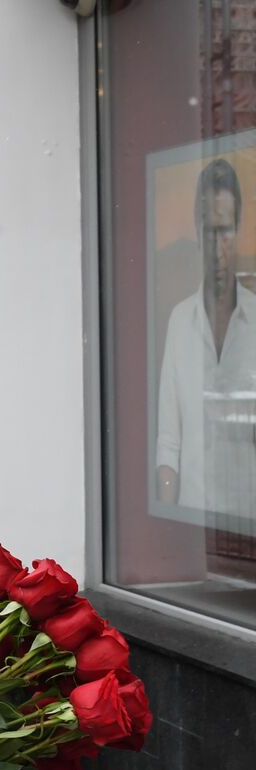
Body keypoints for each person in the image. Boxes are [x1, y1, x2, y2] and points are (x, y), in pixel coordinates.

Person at [155, 157, 256, 518]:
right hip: (192, 528)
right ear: (197, 233)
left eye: (225, 231)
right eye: (209, 231)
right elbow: (169, 444)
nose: (217, 248)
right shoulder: (180, 323)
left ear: (238, 228)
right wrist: (168, 528)